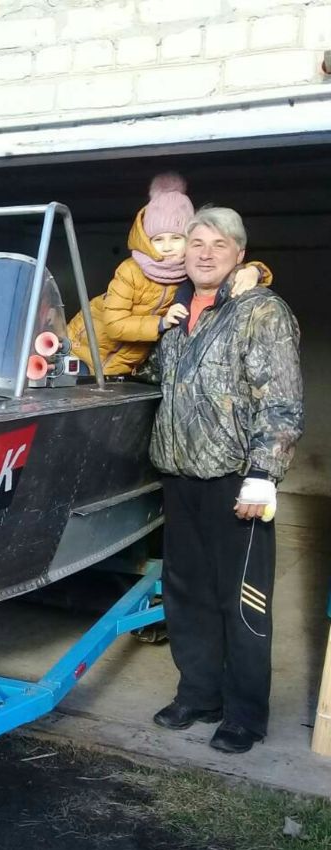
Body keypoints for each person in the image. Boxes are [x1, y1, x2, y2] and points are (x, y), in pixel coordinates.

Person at [141, 206, 304, 754]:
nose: (205, 254)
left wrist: (263, 474)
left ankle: (244, 715)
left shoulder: (262, 311)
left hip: (236, 482)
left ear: (240, 254)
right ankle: (199, 694)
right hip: (179, 475)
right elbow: (157, 380)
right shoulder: (175, 314)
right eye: (196, 244)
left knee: (243, 600)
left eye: (218, 244)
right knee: (187, 595)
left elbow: (281, 401)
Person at [67, 174, 272, 376]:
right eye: (158, 239)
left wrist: (255, 270)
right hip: (81, 348)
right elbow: (113, 325)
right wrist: (161, 323)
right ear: (147, 241)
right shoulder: (131, 270)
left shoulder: (189, 270)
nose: (166, 247)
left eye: (176, 238)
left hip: (118, 366)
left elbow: (223, 266)